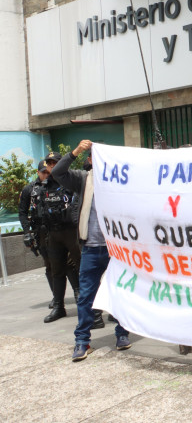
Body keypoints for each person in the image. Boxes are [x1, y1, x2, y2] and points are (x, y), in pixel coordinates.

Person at [51, 140, 132, 361]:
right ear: (90, 160)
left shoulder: (124, 182)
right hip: (92, 248)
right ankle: (82, 341)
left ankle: (122, 334)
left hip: (118, 251)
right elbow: (57, 172)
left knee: (120, 291)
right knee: (86, 295)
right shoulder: (84, 179)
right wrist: (75, 151)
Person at [37, 151, 82, 323]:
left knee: (81, 268)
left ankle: (90, 306)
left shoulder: (69, 182)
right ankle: (58, 307)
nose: (52, 166)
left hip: (71, 232)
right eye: (49, 164)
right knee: (56, 271)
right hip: (53, 234)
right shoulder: (45, 186)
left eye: (55, 163)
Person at [18, 160, 58, 307]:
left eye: (48, 172)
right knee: (49, 265)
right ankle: (57, 297)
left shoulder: (58, 185)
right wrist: (27, 233)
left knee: (68, 264)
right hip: (40, 231)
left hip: (58, 229)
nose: (46, 175)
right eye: (44, 172)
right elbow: (22, 213)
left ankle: (77, 293)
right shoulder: (29, 189)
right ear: (38, 172)